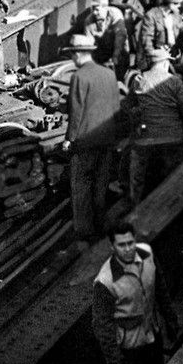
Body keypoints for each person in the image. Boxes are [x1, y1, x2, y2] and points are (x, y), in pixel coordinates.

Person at [92, 219, 178, 364]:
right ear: (113, 247)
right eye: (121, 245)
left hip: (152, 338)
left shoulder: (147, 256)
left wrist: (170, 319)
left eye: (130, 243)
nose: (128, 249)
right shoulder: (105, 282)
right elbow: (102, 326)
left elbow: (160, 288)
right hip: (129, 350)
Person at [125, 48, 183, 206]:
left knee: (137, 177)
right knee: (177, 177)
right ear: (165, 63)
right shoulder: (174, 81)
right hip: (173, 138)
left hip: (145, 139)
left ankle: (135, 205)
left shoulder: (139, 79)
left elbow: (128, 106)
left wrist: (139, 114)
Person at [60, 34, 120, 243]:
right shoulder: (109, 74)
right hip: (107, 138)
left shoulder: (79, 76)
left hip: (85, 141)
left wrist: (69, 139)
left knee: (82, 183)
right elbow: (116, 107)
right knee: (101, 182)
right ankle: (101, 223)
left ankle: (85, 229)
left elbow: (76, 112)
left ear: (77, 54)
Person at [74, 0, 130, 80]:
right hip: (102, 47)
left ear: (105, 7)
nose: (94, 13)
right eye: (93, 9)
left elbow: (120, 37)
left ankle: (122, 78)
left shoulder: (115, 13)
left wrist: (115, 57)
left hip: (118, 46)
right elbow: (88, 46)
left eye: (97, 9)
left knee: (122, 58)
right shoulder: (88, 21)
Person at [135, 0, 183, 71]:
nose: (179, 5)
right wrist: (157, 57)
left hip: (171, 54)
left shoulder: (175, 14)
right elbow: (147, 40)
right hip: (156, 57)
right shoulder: (151, 15)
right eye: (176, 3)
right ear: (169, 4)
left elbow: (180, 27)